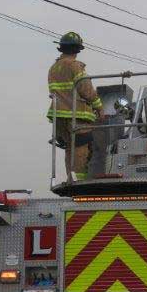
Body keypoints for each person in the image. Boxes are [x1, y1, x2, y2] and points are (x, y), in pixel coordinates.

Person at [47, 31, 103, 181]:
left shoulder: (54, 68)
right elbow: (87, 91)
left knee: (70, 150)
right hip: (77, 116)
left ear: (61, 48)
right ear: (77, 50)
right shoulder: (75, 67)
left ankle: (70, 179)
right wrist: (99, 108)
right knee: (81, 150)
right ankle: (80, 183)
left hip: (59, 117)